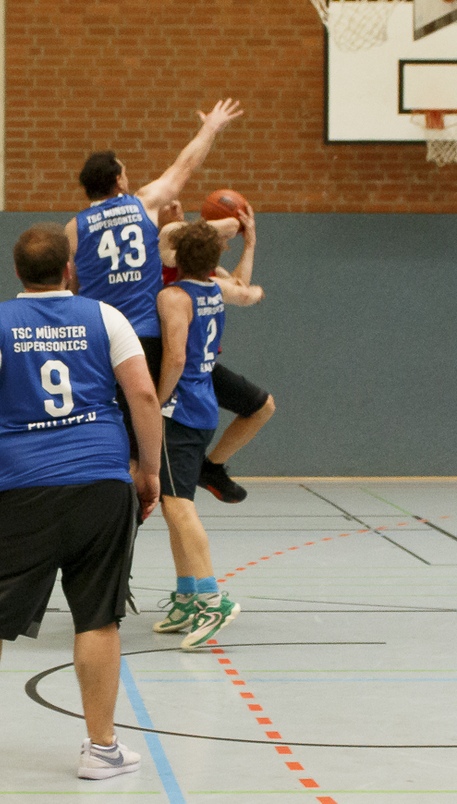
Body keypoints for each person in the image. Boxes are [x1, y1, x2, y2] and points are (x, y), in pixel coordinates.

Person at [0, 224, 163, 780]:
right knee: (97, 617)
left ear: (17, 273)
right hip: (101, 482)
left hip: (22, 486)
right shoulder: (106, 317)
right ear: (69, 269)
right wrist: (150, 471)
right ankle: (102, 748)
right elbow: (141, 393)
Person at [65, 99, 243, 440]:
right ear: (119, 181)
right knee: (141, 430)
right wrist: (210, 128)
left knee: (102, 423)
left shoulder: (74, 228)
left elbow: (71, 287)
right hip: (143, 336)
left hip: (98, 337)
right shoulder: (143, 203)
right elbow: (185, 166)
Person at [154, 220, 263, 650]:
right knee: (172, 504)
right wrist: (249, 244)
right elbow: (244, 286)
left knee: (179, 506)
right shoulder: (215, 289)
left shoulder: (172, 296)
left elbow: (176, 356)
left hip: (181, 406)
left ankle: (212, 600)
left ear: (176, 258)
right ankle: (186, 595)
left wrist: (156, 400)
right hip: (203, 404)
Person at [157, 200, 276, 504]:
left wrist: (249, 244)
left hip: (199, 367)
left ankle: (210, 468)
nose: (177, 205)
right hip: (176, 366)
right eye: (224, 241)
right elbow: (243, 289)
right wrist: (236, 224)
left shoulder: (207, 276)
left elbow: (239, 285)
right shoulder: (167, 253)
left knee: (262, 406)